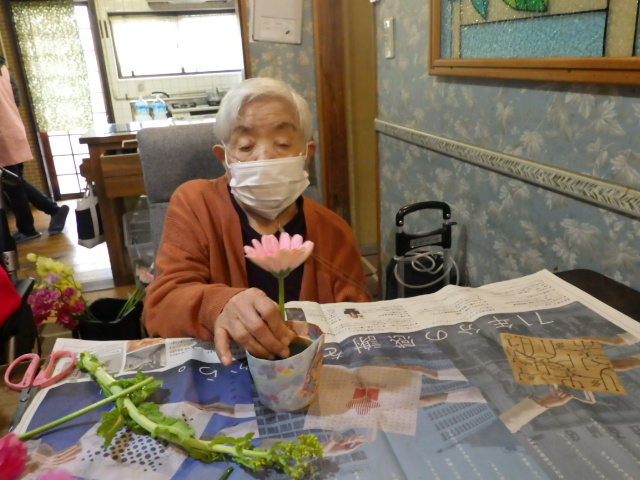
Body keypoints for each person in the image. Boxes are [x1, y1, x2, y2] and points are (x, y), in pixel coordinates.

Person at [144, 77, 371, 365]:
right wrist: (221, 305)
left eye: (283, 143)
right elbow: (161, 306)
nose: (264, 156)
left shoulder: (333, 230)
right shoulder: (195, 204)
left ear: (307, 154)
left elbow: (358, 320)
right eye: (246, 145)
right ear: (224, 158)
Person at [0, 56, 69, 244]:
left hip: (3, 135)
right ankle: (54, 210)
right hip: (13, 129)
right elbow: (16, 100)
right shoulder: (4, 69)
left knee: (12, 185)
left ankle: (28, 229)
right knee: (15, 181)